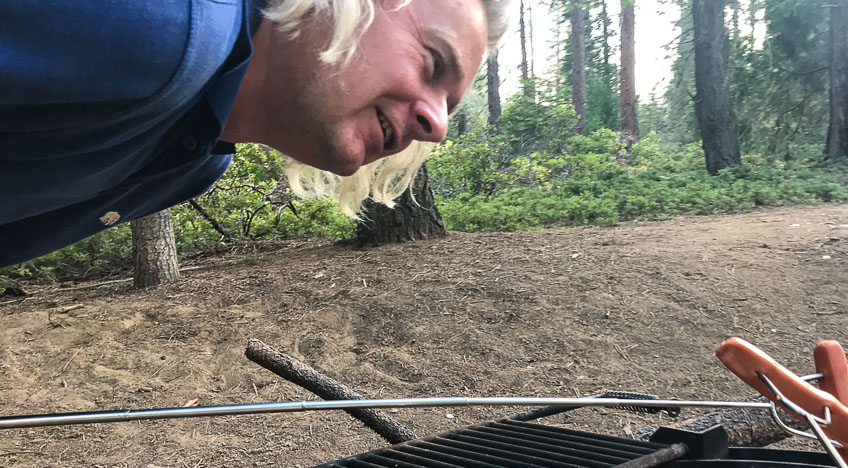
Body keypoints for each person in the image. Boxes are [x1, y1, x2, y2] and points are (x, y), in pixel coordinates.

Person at [0, 0, 510, 267]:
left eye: (449, 103)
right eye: (433, 61)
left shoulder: (199, 162)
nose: (437, 127)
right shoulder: (167, 25)